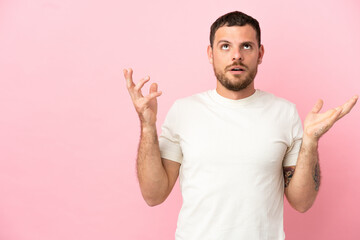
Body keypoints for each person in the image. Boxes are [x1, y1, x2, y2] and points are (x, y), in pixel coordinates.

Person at [123, 11, 358, 240]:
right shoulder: (184, 111)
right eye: (225, 46)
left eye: (246, 46)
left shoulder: (284, 112)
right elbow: (154, 195)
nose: (236, 55)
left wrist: (310, 141)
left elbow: (303, 202)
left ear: (260, 53)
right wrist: (147, 127)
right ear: (210, 53)